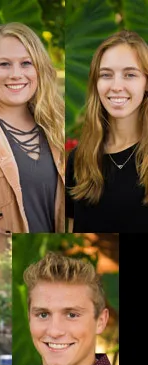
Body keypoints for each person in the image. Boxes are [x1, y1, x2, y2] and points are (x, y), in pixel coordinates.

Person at [0, 22, 65, 234]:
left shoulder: (56, 125)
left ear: (39, 69)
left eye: (26, 63)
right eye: (4, 64)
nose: (15, 74)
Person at [66, 30, 148, 232]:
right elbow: (70, 224)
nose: (116, 86)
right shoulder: (79, 158)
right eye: (106, 75)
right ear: (96, 83)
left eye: (130, 75)